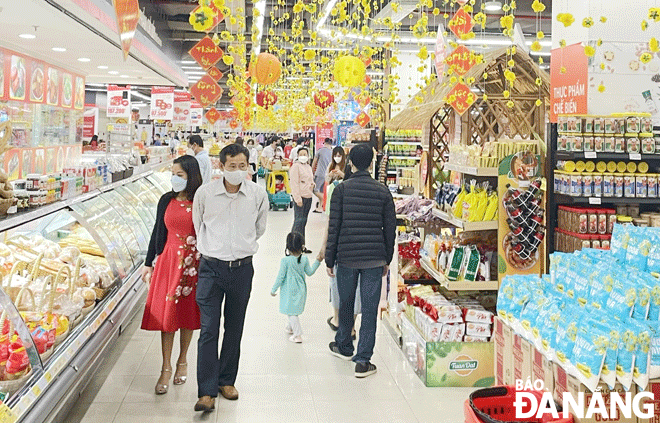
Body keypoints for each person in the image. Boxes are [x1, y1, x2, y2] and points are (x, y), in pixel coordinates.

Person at [192, 143, 268, 413]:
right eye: (231, 166)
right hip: (211, 268)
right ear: (221, 166)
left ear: (248, 166)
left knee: (234, 327)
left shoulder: (257, 194)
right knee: (209, 329)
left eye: (242, 166)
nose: (237, 171)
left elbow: (259, 228)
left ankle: (227, 381)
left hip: (242, 269)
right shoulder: (206, 194)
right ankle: (206, 391)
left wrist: (239, 247)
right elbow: (198, 223)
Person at [325, 144, 396, 378]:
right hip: (374, 260)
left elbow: (334, 227)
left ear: (351, 163)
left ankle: (344, 346)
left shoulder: (341, 190)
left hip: (346, 257)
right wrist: (387, 257)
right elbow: (390, 229)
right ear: (372, 163)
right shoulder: (382, 191)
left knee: (346, 303)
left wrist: (329, 258)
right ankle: (363, 360)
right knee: (369, 309)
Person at [140, 155, 204, 395]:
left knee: (187, 315)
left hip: (192, 265)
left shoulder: (201, 200)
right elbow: (158, 230)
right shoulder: (165, 199)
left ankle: (183, 361)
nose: (174, 179)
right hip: (167, 262)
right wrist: (149, 263)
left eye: (180, 175)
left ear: (191, 176)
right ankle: (165, 367)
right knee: (167, 318)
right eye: (173, 174)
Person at [270, 232, 324, 343]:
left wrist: (273, 289)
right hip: (301, 289)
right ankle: (290, 327)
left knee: (291, 313)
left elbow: (280, 277)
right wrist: (318, 261)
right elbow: (310, 272)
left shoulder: (285, 261)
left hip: (289, 290)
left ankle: (297, 335)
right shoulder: (304, 259)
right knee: (293, 310)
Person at [288, 147, 314, 252]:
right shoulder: (295, 167)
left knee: (303, 222)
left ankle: (301, 245)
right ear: (298, 156)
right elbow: (294, 184)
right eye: (301, 154)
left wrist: (313, 185)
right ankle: (292, 246)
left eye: (305, 154)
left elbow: (309, 179)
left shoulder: (308, 166)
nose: (303, 156)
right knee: (298, 222)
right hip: (300, 197)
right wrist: (297, 198)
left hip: (308, 196)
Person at [311, 138, 333, 213]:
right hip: (328, 175)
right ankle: (320, 207)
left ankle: (324, 201)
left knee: (314, 189)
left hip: (320, 173)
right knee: (322, 190)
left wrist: (312, 173)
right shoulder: (333, 152)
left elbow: (314, 163)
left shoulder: (320, 151)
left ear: (324, 143)